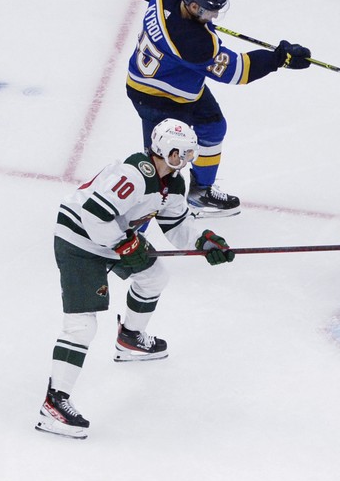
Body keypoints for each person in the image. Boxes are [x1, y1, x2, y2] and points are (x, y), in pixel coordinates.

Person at [35, 119, 236, 440]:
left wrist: (204, 241)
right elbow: (92, 215)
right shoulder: (134, 173)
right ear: (159, 149)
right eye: (176, 155)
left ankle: (130, 338)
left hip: (114, 235)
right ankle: (53, 404)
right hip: (78, 240)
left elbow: (176, 226)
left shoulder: (173, 183)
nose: (182, 162)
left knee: (154, 276)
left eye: (188, 155)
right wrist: (123, 244)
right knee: (82, 325)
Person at [126, 0, 312, 217]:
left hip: (181, 84)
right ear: (193, 6)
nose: (213, 17)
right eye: (209, 12)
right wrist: (280, 58)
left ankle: (200, 193)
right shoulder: (194, 44)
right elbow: (238, 71)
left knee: (213, 127)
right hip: (155, 98)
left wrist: (160, 10)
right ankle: (134, 234)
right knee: (161, 170)